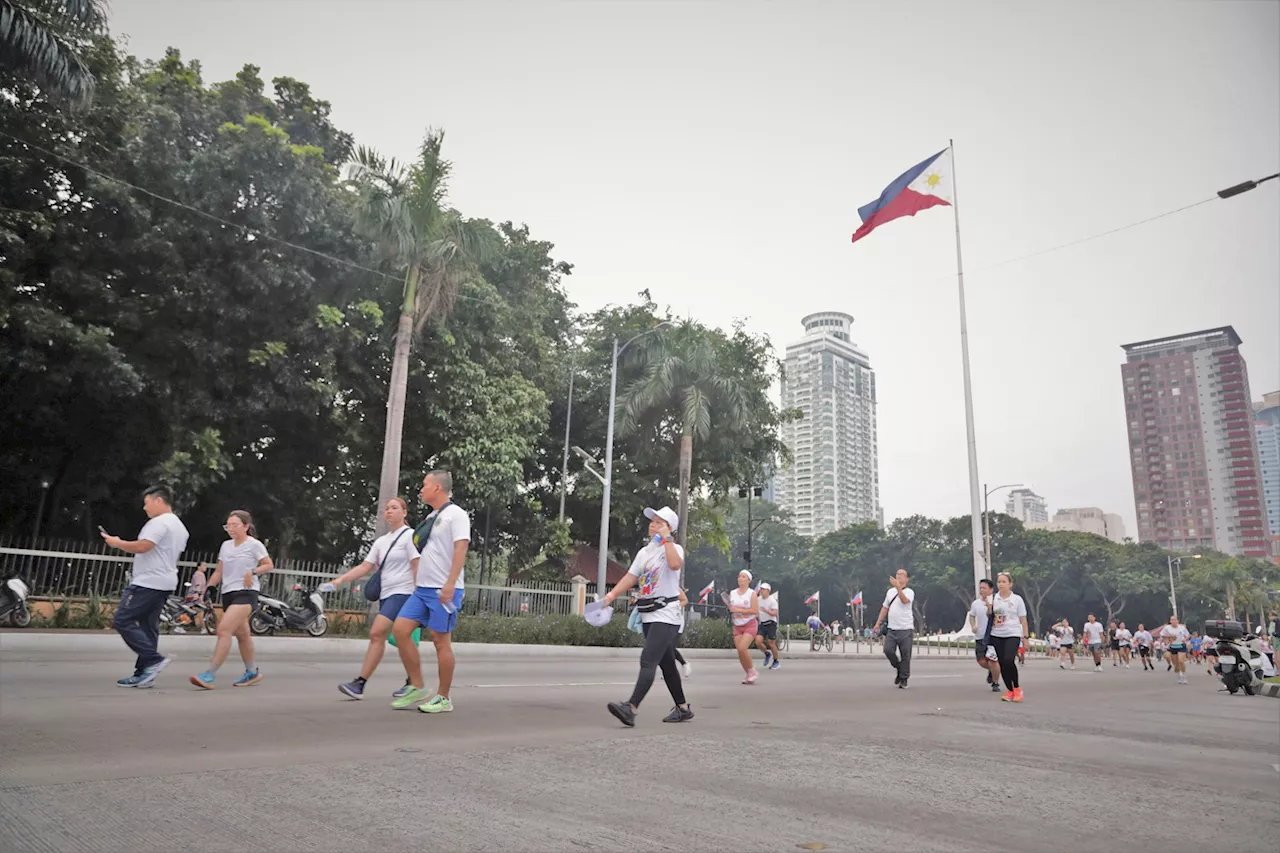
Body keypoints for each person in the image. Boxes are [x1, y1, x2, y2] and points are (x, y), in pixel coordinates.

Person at [320, 498, 420, 699]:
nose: (389, 511)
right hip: (386, 594)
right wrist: (340, 580)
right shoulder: (381, 542)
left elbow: (417, 563)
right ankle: (413, 682)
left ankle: (360, 684)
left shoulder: (410, 536)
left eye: (394, 508)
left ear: (404, 512)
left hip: (403, 592)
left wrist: (419, 593)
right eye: (387, 508)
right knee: (400, 639)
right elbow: (365, 567)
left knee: (376, 632)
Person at [603, 506, 692, 726]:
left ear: (669, 527)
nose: (653, 525)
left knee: (648, 660)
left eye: (659, 522)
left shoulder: (675, 549)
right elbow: (631, 577)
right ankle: (682, 708)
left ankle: (630, 708)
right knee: (667, 664)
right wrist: (612, 595)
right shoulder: (645, 552)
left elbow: (674, 564)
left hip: (667, 615)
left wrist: (667, 539)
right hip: (648, 615)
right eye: (652, 521)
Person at [390, 471, 470, 714]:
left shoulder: (456, 515)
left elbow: (461, 549)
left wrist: (450, 583)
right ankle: (416, 685)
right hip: (423, 589)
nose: (421, 488)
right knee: (400, 631)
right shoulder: (432, 516)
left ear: (437, 487)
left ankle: (443, 698)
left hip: (444, 589)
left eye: (425, 484)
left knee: (440, 640)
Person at [101, 485, 190, 688]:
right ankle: (145, 673)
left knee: (123, 620)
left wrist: (118, 543)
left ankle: (153, 660)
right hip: (165, 582)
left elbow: (144, 546)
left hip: (147, 582)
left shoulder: (158, 523)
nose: (144, 507)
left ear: (159, 500)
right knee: (149, 626)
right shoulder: (180, 527)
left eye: (147, 502)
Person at [191, 510, 272, 688]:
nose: (231, 529)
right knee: (243, 636)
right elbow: (220, 571)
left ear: (246, 526)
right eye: (228, 525)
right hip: (228, 593)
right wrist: (209, 587)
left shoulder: (254, 545)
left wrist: (253, 571)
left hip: (246, 593)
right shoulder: (226, 545)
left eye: (235, 525)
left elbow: (268, 564)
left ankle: (209, 675)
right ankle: (252, 672)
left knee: (224, 630)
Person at [990, 572, 1029, 702]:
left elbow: (1023, 620)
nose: (1001, 584)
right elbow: (989, 615)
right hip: (997, 634)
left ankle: (1017, 688)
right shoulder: (994, 598)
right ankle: (1009, 690)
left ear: (1010, 584)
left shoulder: (1017, 599)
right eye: (999, 582)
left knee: (1008, 660)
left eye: (1003, 582)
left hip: (1012, 633)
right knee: (1002, 663)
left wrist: (1026, 637)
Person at [872, 568, 915, 689]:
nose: (899, 576)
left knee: (905, 655)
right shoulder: (890, 592)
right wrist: (877, 623)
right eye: (897, 574)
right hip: (892, 628)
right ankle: (899, 668)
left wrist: (898, 588)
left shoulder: (909, 592)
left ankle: (904, 678)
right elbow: (885, 608)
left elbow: (904, 600)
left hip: (906, 629)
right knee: (888, 650)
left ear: (907, 579)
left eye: (902, 575)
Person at [968, 578, 1001, 693]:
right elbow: (971, 616)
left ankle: (995, 682)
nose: (981, 590)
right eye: (980, 588)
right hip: (980, 636)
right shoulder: (976, 603)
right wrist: (973, 626)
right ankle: (992, 670)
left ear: (991, 590)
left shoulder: (997, 603)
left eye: (984, 588)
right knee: (981, 661)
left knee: (994, 660)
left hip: (993, 636)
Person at [727, 570, 760, 684]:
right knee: (740, 652)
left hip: (750, 624)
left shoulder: (752, 594)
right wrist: (731, 610)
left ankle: (752, 671)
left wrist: (739, 610)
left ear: (749, 580)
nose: (740, 578)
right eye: (739, 576)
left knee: (742, 648)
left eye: (743, 577)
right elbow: (731, 607)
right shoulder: (732, 593)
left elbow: (754, 611)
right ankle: (748, 673)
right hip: (737, 625)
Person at [753, 582, 782, 670]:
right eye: (761, 589)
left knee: (771, 643)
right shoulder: (758, 599)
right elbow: (755, 610)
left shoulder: (772, 600)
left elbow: (775, 613)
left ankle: (776, 661)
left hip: (771, 623)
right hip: (762, 624)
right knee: (758, 641)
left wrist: (766, 611)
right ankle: (767, 654)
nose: (762, 591)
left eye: (764, 589)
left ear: (768, 591)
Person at [1161, 615, 1191, 684]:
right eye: (1172, 620)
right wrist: (1169, 636)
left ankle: (1184, 675)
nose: (1173, 621)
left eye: (1175, 620)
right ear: (1170, 621)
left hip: (1181, 646)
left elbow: (1188, 635)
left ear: (1177, 621)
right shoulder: (1167, 628)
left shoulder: (1182, 628)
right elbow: (1162, 635)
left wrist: (1185, 639)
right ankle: (1178, 675)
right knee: (1176, 664)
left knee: (1181, 661)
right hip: (1172, 646)